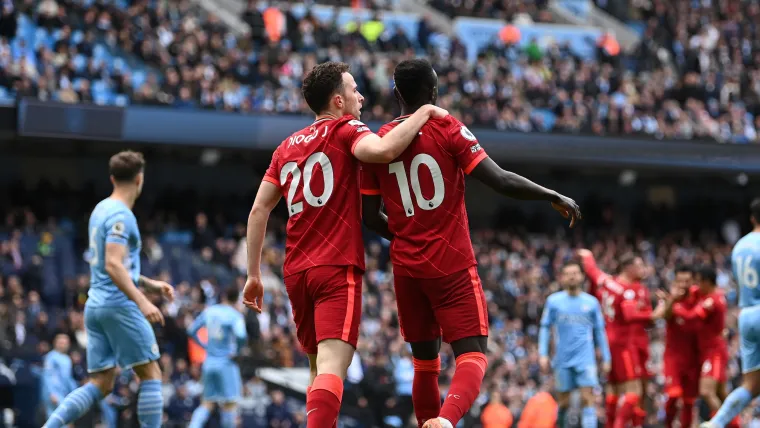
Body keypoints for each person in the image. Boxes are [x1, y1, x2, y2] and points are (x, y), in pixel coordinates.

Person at [360, 58, 580, 428]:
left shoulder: (377, 143)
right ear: (433, 93)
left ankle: (430, 422)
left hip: (407, 268)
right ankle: (446, 421)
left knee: (424, 362)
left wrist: (406, 236)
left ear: (397, 94)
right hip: (451, 264)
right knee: (473, 355)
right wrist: (550, 194)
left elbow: (368, 216)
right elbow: (499, 180)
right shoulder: (446, 127)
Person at [242, 61, 448, 427]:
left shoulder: (286, 147)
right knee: (333, 367)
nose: (361, 97)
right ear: (338, 101)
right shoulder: (346, 129)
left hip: (296, 272)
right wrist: (425, 112)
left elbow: (259, 209)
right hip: (335, 266)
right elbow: (383, 150)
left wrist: (254, 274)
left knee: (318, 369)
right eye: (355, 90)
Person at [43, 151, 175, 428]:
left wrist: (149, 284)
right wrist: (143, 301)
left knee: (101, 383)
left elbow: (109, 265)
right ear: (140, 179)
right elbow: (114, 265)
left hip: (95, 307)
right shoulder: (121, 216)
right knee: (151, 373)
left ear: (112, 178)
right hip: (119, 306)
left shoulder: (100, 210)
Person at [577, 249, 655, 428]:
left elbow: (592, 271)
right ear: (628, 267)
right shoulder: (625, 290)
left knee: (614, 389)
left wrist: (587, 256)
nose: (644, 269)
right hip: (624, 344)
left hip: (609, 342)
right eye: (640, 265)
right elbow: (630, 315)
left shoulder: (607, 282)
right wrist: (655, 315)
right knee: (634, 391)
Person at [702, 198, 760, 428]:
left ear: (752, 218)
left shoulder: (740, 246)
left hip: (747, 315)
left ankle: (714, 424)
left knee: (751, 385)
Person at [538, 261, 611, 428]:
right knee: (563, 403)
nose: (572, 276)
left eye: (575, 273)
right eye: (568, 273)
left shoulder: (591, 302)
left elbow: (600, 331)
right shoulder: (554, 301)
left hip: (586, 360)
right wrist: (543, 354)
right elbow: (544, 328)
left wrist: (606, 357)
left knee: (588, 399)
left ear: (582, 276)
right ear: (562, 277)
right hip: (562, 359)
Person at [666, 265, 737, 427]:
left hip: (714, 351)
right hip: (707, 351)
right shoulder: (707, 295)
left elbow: (691, 317)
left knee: (706, 391)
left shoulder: (713, 300)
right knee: (721, 394)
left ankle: (720, 423)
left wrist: (674, 306)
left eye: (699, 281)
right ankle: (735, 424)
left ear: (707, 282)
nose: (696, 285)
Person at [187, 287, 248, 428]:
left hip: (209, 363)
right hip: (227, 363)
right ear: (235, 299)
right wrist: (237, 351)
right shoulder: (234, 315)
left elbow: (191, 330)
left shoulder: (210, 311)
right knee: (230, 404)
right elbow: (241, 335)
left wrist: (204, 346)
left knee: (207, 403)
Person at [660, 265, 700, 428]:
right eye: (680, 281)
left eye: (687, 281)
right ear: (675, 282)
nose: (684, 284)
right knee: (673, 396)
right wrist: (671, 300)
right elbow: (666, 314)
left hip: (694, 358)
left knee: (689, 402)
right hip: (674, 359)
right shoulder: (671, 299)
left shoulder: (698, 298)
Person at [40, 333, 78, 420]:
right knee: (54, 419)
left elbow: (68, 378)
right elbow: (47, 376)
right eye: (61, 343)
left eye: (65, 343)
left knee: (64, 419)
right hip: (54, 394)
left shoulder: (67, 359)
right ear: (55, 343)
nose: (63, 345)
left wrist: (74, 391)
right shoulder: (50, 357)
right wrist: (51, 393)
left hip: (64, 393)